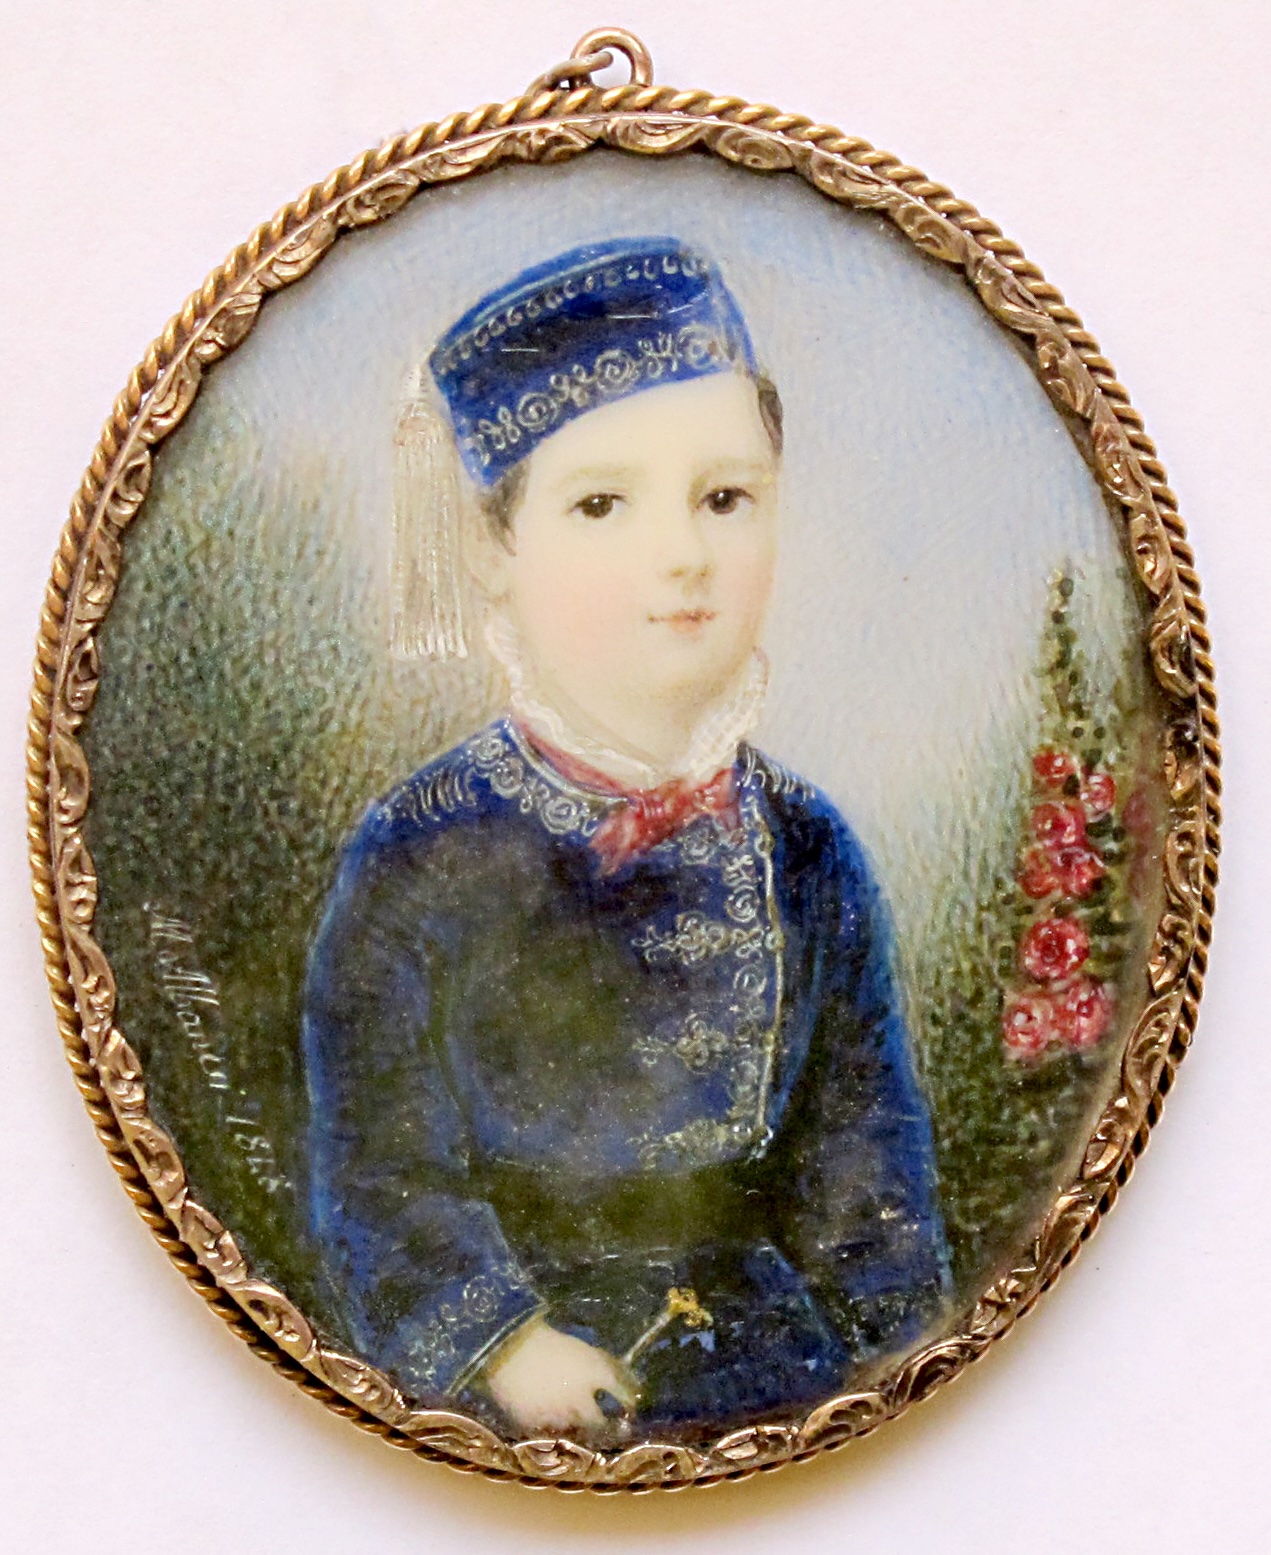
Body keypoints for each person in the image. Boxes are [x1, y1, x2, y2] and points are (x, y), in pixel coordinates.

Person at [302, 237, 950, 1442]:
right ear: (494, 550)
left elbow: (867, 1177)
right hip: (521, 1398)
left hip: (782, 1383)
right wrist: (504, 1343)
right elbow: (378, 1170)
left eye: (724, 499)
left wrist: (911, 1381)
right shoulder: (418, 850)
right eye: (601, 505)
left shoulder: (807, 847)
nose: (683, 556)